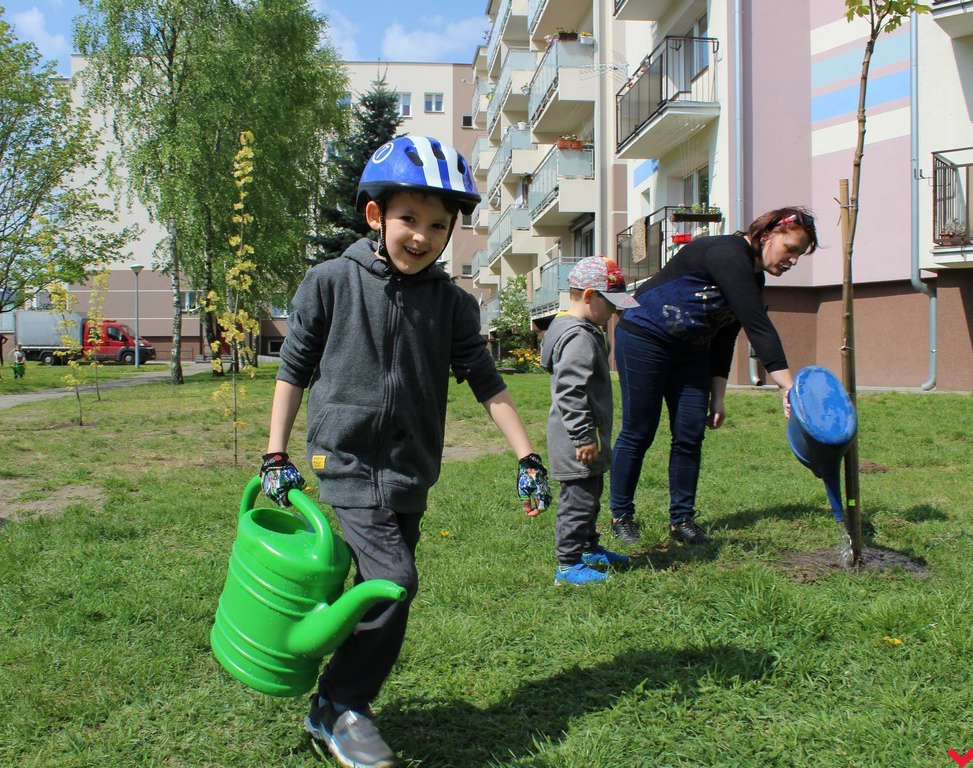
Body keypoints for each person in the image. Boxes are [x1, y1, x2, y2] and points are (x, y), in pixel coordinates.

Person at [260, 136, 552, 768]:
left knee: (378, 583)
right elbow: (293, 367)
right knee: (394, 582)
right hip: (344, 460)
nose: (421, 236)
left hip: (410, 471)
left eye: (438, 225)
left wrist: (528, 458)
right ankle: (340, 706)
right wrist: (273, 452)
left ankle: (334, 691)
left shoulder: (451, 305)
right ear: (376, 217)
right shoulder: (331, 282)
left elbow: (487, 383)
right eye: (408, 220)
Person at [609, 207, 818, 547]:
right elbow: (757, 324)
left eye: (799, 254)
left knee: (690, 434)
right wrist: (788, 385)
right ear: (767, 235)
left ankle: (682, 520)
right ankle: (621, 516)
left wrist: (717, 395)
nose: (793, 260)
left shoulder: (754, 276)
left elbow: (725, 335)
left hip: (691, 352)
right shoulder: (727, 252)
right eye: (791, 249)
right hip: (645, 339)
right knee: (639, 430)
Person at [540, 256, 635, 586]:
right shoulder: (578, 337)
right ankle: (568, 565)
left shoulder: (579, 329)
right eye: (610, 305)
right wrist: (582, 437)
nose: (614, 312)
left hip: (584, 435)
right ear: (590, 296)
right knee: (577, 500)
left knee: (591, 493)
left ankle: (589, 548)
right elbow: (570, 391)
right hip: (575, 439)